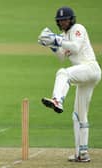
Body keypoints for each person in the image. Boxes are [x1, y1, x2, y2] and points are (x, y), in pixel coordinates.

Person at [38, 7, 101, 162]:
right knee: (78, 115)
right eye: (60, 21)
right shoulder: (63, 35)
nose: (63, 23)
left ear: (71, 19)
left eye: (65, 20)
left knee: (63, 73)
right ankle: (82, 153)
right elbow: (61, 56)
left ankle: (57, 100)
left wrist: (56, 39)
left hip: (90, 68)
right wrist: (51, 44)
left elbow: (76, 47)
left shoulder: (78, 29)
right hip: (84, 75)